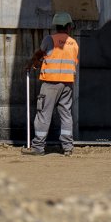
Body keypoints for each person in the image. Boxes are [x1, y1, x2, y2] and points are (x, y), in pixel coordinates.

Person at [23, 11, 79, 156]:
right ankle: (67, 147)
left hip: (50, 83)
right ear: (68, 26)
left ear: (56, 26)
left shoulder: (49, 39)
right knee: (66, 114)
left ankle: (38, 147)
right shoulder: (74, 43)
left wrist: (33, 62)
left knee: (43, 114)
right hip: (67, 84)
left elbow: (41, 53)